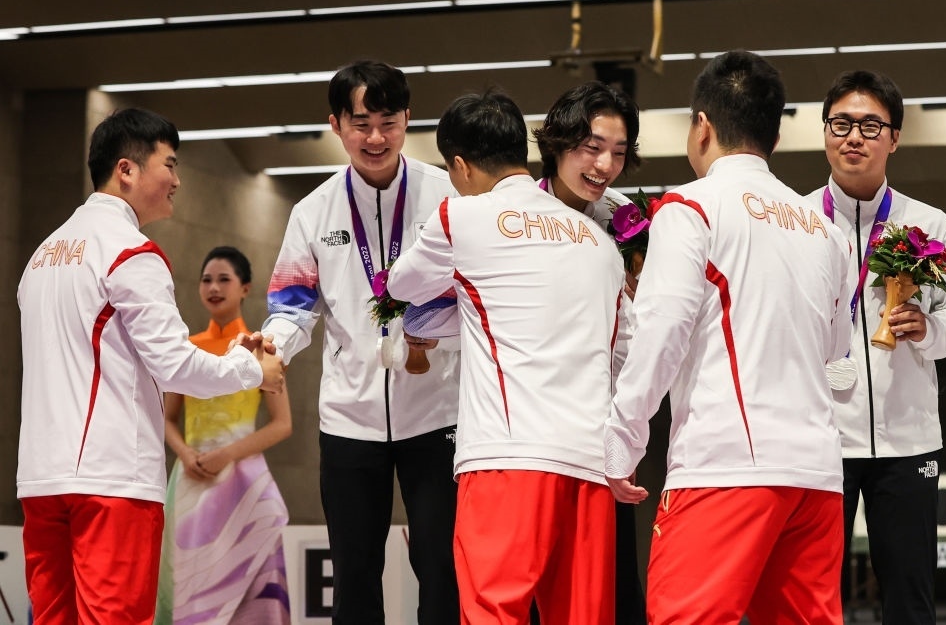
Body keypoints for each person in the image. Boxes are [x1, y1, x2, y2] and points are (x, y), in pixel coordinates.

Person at [604, 50, 854, 624]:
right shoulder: (826, 231)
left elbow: (661, 333)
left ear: (702, 126)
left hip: (727, 468)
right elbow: (837, 359)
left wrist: (624, 437)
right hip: (816, 476)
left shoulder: (691, 207)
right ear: (774, 136)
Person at [16, 107, 285, 625]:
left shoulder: (41, 256)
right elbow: (175, 366)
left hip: (41, 479)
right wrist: (252, 369)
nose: (177, 181)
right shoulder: (131, 252)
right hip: (111, 480)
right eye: (170, 165)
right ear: (127, 170)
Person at [387, 88, 624, 624]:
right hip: (589, 465)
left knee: (493, 615)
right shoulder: (600, 243)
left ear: (461, 166)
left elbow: (402, 287)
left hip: (507, 458)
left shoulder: (461, 215)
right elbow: (624, 346)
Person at [261, 60, 461, 624]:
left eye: (388, 123)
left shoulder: (446, 196)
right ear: (336, 125)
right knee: (353, 575)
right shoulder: (313, 211)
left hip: (438, 413)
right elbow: (293, 307)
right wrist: (270, 347)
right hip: (350, 419)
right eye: (361, 124)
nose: (376, 138)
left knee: (442, 568)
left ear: (407, 120)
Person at [807, 70, 946, 624]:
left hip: (907, 441)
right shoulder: (796, 222)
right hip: (817, 441)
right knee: (811, 597)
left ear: (894, 138)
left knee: (911, 598)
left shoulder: (930, 224)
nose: (853, 138)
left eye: (870, 126)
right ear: (824, 131)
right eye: (841, 124)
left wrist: (928, 330)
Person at [532, 80, 645, 625]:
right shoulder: (516, 214)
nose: (604, 165)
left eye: (618, 153)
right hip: (530, 428)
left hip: (600, 427)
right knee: (535, 583)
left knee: (609, 587)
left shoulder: (627, 220)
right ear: (557, 142)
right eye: (591, 147)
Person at [156, 246, 293, 624]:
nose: (213, 288)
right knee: (188, 586)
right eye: (206, 280)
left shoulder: (262, 348)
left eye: (223, 280)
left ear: (245, 288)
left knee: (253, 597)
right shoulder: (187, 348)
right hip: (191, 480)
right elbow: (167, 418)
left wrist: (227, 454)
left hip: (244, 485)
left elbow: (282, 424)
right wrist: (185, 453)